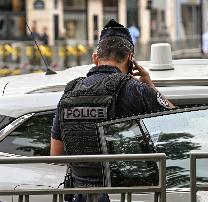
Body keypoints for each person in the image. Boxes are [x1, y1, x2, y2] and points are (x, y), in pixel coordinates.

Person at [50, 19, 174, 202]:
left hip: (79, 196)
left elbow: (56, 154)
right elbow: (177, 121)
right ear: (131, 59)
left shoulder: (69, 93)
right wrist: (150, 85)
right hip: (123, 196)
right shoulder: (137, 90)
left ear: (95, 58)